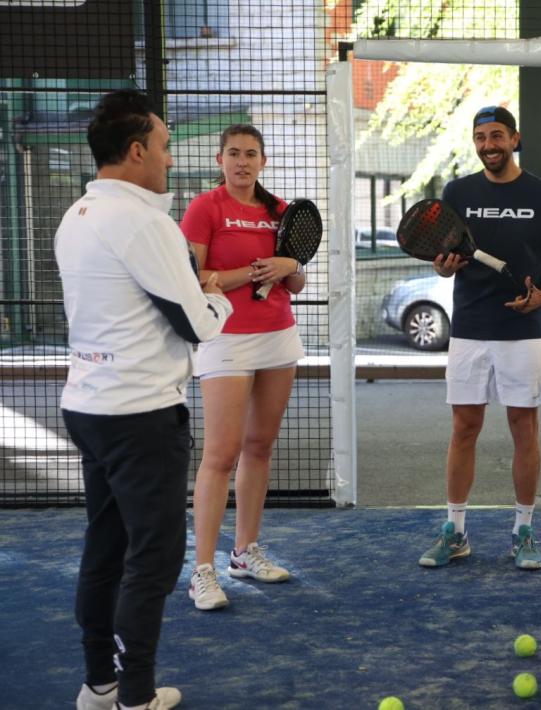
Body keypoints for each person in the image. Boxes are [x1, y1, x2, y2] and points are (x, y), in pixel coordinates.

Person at [60, 89, 232, 710]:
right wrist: (216, 295)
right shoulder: (144, 222)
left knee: (105, 546)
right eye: (162, 146)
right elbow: (197, 323)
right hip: (140, 418)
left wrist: (193, 285)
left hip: (89, 408)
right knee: (155, 559)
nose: (168, 156)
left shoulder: (77, 214)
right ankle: (135, 696)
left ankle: (100, 685)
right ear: (135, 151)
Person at [417, 105, 541, 570]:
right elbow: (444, 258)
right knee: (464, 429)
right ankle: (456, 532)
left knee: (525, 429)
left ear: (515, 139)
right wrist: (442, 267)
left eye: (497, 136)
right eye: (481, 137)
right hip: (469, 328)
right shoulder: (458, 192)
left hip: (523, 331)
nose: (489, 145)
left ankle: (524, 531)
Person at [181, 124, 306, 610]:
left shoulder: (280, 212)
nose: (242, 162)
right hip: (225, 338)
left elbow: (295, 282)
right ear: (220, 159)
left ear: (263, 161)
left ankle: (244, 551)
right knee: (220, 453)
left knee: (259, 446)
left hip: (278, 335)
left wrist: (287, 268)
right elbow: (195, 279)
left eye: (251, 154)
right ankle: (203, 570)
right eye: (233, 153)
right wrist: (258, 270)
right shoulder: (204, 208)